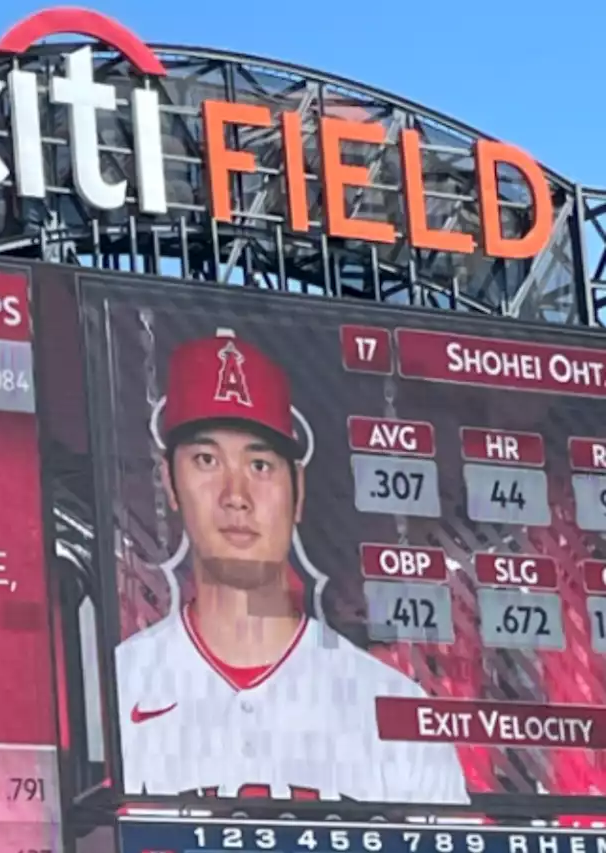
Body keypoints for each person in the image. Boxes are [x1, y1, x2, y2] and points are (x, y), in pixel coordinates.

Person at [114, 328, 469, 804]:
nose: (235, 496)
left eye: (261, 465)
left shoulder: (390, 704)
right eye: (206, 460)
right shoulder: (117, 688)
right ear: (170, 483)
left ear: (297, 488)